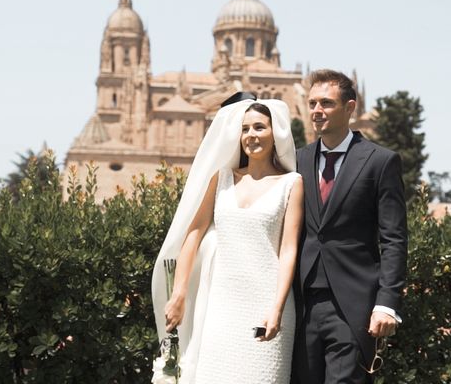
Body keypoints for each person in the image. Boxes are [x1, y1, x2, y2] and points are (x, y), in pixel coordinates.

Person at [152, 96, 304, 384]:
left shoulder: (291, 183)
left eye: (259, 127)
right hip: (220, 306)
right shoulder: (221, 178)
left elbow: (288, 250)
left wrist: (277, 309)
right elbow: (193, 233)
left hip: (266, 304)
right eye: (245, 129)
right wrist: (180, 293)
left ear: (276, 133)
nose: (251, 135)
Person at [292, 70, 408, 384]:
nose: (317, 110)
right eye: (313, 103)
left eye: (326, 103)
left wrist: (386, 304)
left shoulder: (380, 162)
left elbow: (394, 239)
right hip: (301, 308)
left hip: (353, 306)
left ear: (350, 107)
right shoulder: (296, 161)